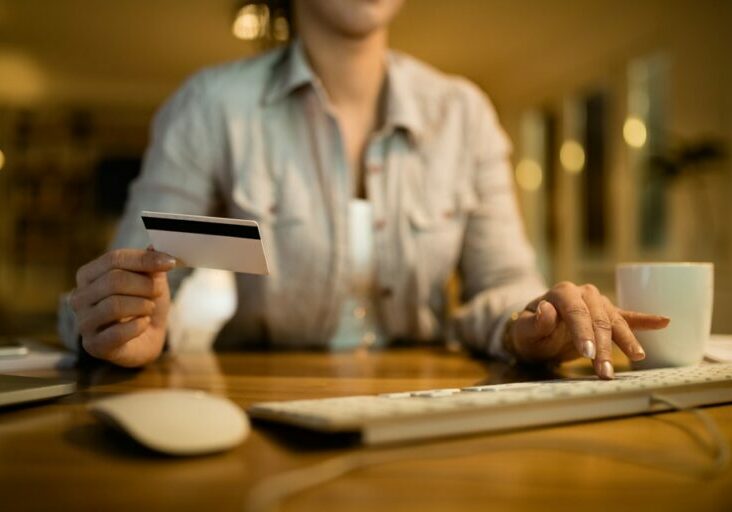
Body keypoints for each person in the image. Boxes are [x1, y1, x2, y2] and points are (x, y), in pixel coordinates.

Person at [62, 0, 669, 376]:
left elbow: (501, 288)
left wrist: (535, 324)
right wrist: (119, 325)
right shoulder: (209, 107)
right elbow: (129, 278)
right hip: (257, 405)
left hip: (434, 408)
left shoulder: (464, 113)